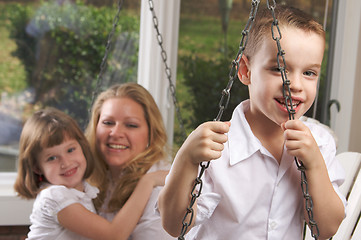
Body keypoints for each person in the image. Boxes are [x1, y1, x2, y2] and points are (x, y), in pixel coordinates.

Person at [158, 6, 346, 240]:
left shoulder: (319, 143)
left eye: (309, 73)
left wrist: (315, 165)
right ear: (246, 71)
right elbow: (175, 225)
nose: (295, 84)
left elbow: (326, 229)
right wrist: (186, 160)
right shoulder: (218, 148)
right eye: (279, 69)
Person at [14, 107, 167, 240]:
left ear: (82, 147)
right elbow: (114, 235)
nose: (66, 163)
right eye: (52, 158)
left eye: (70, 150)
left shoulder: (84, 191)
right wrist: (147, 182)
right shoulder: (55, 196)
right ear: (37, 168)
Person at [85, 82, 175, 239]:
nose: (116, 132)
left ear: (151, 134)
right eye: (108, 122)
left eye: (131, 125)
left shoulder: (160, 188)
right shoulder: (93, 178)